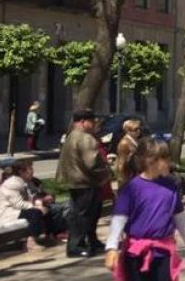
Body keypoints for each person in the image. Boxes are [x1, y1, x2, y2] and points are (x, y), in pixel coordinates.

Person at [104, 137, 185, 280]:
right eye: (165, 158)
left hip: (163, 253)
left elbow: (180, 218)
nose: (169, 162)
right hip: (135, 253)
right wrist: (112, 247)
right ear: (150, 161)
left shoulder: (171, 187)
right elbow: (119, 219)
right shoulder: (132, 188)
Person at [56, 108, 110, 258]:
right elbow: (92, 163)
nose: (94, 124)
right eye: (91, 121)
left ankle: (92, 241)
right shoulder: (86, 139)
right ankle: (76, 246)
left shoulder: (71, 136)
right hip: (86, 182)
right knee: (83, 215)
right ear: (83, 122)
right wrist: (105, 173)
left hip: (77, 181)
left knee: (89, 214)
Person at [0, 159, 59, 252]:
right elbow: (18, 204)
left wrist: (41, 202)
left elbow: (33, 197)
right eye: (30, 169)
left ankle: (48, 236)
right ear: (21, 172)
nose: (32, 171)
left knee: (48, 209)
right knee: (35, 213)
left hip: (18, 209)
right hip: (7, 212)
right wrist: (37, 207)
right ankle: (30, 243)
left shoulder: (26, 181)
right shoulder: (12, 183)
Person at [115, 119, 144, 187]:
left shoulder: (136, 141)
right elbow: (121, 163)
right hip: (128, 177)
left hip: (136, 174)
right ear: (128, 131)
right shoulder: (124, 143)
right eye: (135, 129)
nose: (138, 131)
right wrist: (123, 181)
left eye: (139, 128)